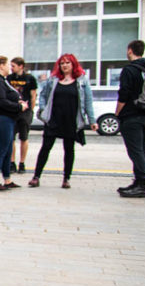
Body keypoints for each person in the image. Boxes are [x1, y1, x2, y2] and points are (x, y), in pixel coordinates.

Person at [28, 54, 97, 189]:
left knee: (69, 149)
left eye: (67, 63)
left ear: (73, 64)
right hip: (53, 119)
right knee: (45, 148)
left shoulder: (81, 81)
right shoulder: (53, 80)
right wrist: (43, 109)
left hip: (71, 120)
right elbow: (43, 96)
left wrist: (92, 120)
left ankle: (66, 178)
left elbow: (88, 101)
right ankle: (36, 176)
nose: (64, 65)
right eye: (62, 63)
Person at [116, 39, 145, 198]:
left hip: (132, 115)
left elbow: (124, 94)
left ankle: (141, 185)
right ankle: (140, 181)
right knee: (143, 149)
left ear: (130, 50)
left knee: (135, 150)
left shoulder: (129, 70)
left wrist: (117, 112)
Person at [0, 56, 27, 190]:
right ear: (1, 66)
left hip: (7, 119)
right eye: (8, 65)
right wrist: (18, 106)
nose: (10, 67)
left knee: (8, 151)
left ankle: (7, 179)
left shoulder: (1, 80)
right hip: (0, 120)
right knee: (1, 151)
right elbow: (1, 101)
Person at [7, 57, 38, 173]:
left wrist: (31, 110)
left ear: (21, 66)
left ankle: (22, 162)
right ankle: (12, 162)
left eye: (13, 66)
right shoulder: (9, 78)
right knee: (11, 138)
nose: (11, 68)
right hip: (13, 110)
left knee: (24, 137)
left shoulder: (30, 79)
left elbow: (33, 95)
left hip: (25, 111)